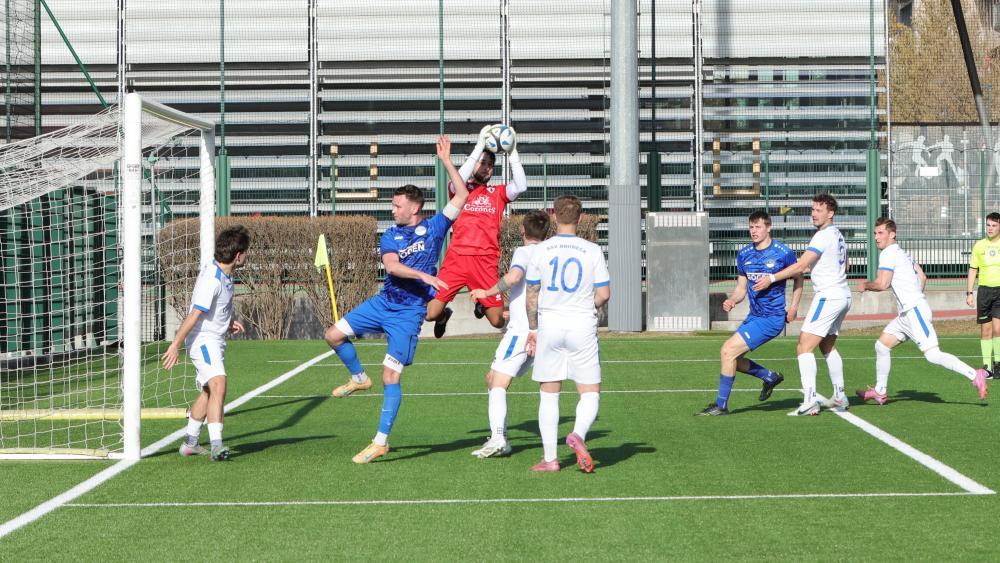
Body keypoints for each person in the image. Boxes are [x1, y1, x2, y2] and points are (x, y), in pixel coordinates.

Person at [323, 136, 470, 464]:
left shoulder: (435, 227)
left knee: (391, 375)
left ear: (414, 208)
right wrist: (423, 276)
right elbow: (391, 266)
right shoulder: (391, 234)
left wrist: (447, 161)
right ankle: (359, 378)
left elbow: (462, 195)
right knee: (332, 335)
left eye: (397, 206)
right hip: (383, 303)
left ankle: (380, 442)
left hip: (408, 313)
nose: (393, 210)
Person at [856, 218, 988, 403]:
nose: (876, 237)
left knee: (933, 355)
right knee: (882, 346)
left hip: (914, 312)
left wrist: (865, 285)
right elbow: (923, 277)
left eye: (880, 233)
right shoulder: (903, 253)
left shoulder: (888, 253)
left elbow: (882, 283)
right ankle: (880, 390)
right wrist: (915, 298)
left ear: (892, 234)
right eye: (875, 233)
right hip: (907, 314)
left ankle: (975, 374)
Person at [524, 195, 610, 473]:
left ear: (554, 216)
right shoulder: (592, 250)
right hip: (581, 325)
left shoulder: (541, 250)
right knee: (590, 391)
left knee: (549, 392)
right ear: (581, 218)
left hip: (550, 324)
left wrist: (533, 329)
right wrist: (588, 305)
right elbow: (604, 293)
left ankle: (550, 459)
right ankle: (578, 434)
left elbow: (531, 294)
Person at [753, 193, 852, 416]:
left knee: (803, 346)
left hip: (828, 296)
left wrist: (771, 278)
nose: (814, 214)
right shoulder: (837, 234)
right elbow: (847, 264)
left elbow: (801, 266)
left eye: (819, 210)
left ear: (831, 213)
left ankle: (810, 401)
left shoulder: (822, 236)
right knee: (827, 346)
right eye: (813, 210)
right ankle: (839, 395)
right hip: (843, 295)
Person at [426, 124, 528, 337]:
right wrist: (479, 145)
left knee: (498, 321)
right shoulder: (460, 189)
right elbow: (457, 181)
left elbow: (521, 186)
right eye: (483, 163)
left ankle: (481, 304)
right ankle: (444, 316)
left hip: (485, 262)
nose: (486, 168)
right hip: (457, 259)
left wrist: (512, 152)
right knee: (430, 314)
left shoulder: (497, 192)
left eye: (490, 165)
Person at [697, 210, 803, 416]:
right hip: (754, 316)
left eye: (758, 227)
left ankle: (721, 406)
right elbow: (741, 288)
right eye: (751, 227)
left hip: (771, 319)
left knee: (727, 351)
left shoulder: (783, 253)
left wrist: (794, 307)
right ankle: (769, 377)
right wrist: (732, 300)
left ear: (768, 228)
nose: (754, 231)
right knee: (733, 359)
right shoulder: (744, 254)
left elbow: (799, 278)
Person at [163, 225, 251, 462]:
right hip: (203, 341)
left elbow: (214, 308)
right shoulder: (212, 279)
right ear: (238, 256)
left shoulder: (224, 275)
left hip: (214, 340)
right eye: (245, 252)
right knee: (219, 384)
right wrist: (175, 344)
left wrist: (228, 321)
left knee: (208, 391)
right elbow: (194, 315)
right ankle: (216, 446)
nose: (246, 256)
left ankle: (190, 443)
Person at [467, 210, 550, 457]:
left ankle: (498, 439)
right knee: (494, 378)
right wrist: (512, 311)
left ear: (522, 230)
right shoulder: (550, 253)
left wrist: (486, 293)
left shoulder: (524, 252)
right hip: (544, 329)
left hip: (523, 332)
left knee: (497, 381)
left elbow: (514, 277)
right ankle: (501, 437)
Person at [966, 212, 1000, 378]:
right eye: (988, 225)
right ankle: (987, 367)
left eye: (994, 225)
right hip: (984, 292)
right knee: (986, 331)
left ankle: (998, 364)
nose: (990, 228)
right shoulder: (979, 246)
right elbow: (973, 270)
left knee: (998, 329)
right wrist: (969, 293)